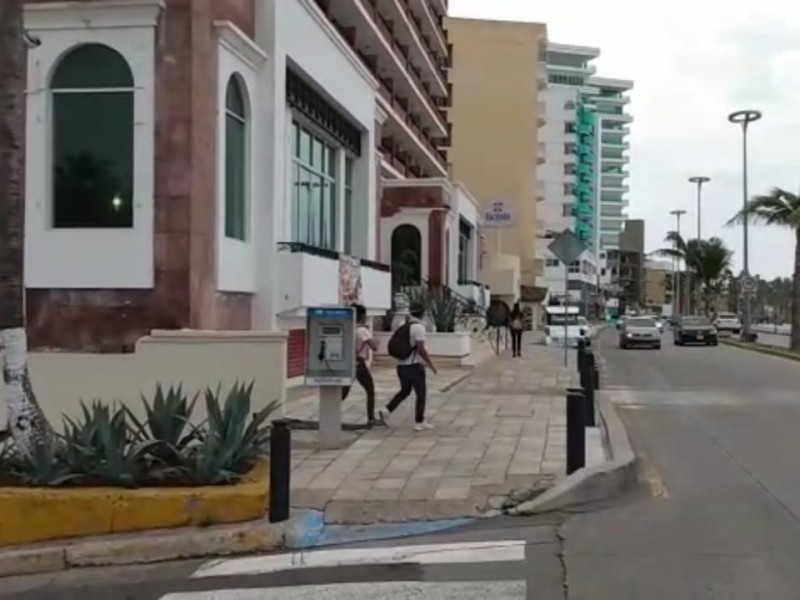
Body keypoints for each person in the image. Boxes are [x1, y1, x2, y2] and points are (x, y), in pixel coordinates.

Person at [379, 302, 437, 431]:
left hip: (401, 366)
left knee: (405, 391)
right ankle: (419, 421)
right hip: (414, 366)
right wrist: (430, 364)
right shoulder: (419, 328)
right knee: (421, 394)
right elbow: (421, 348)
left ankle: (387, 410)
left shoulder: (403, 325)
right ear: (423, 313)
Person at [341, 304, 380, 426]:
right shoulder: (362, 331)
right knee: (370, 390)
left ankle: (330, 411)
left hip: (347, 362)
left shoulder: (346, 327)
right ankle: (371, 418)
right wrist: (375, 341)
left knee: (343, 392)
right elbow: (374, 347)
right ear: (362, 316)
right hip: (359, 363)